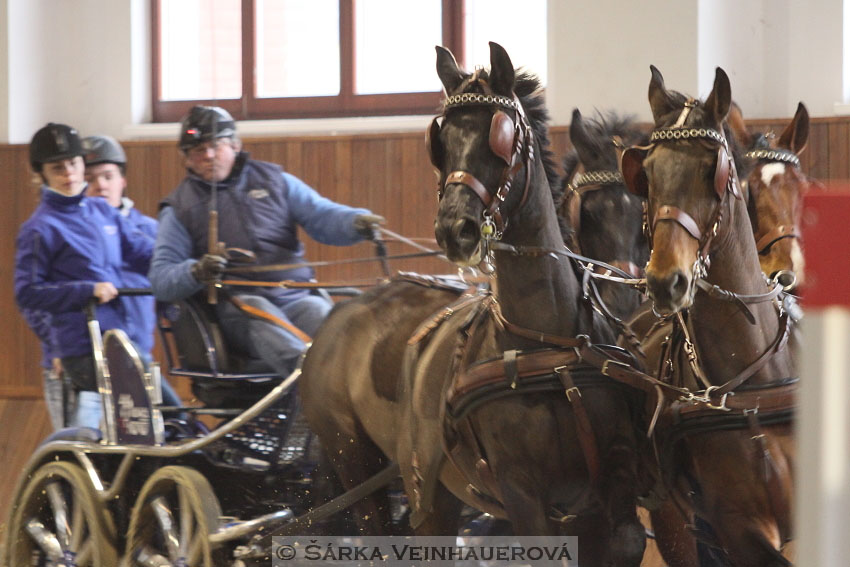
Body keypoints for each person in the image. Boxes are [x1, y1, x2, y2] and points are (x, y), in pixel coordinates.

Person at [148, 105, 385, 381]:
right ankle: (310, 402)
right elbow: (161, 278)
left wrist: (356, 222)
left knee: (337, 332)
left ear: (235, 145)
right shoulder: (178, 208)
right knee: (277, 333)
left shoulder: (276, 181)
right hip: (238, 306)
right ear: (186, 159)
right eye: (198, 150)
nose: (208, 155)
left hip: (296, 296)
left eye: (215, 146)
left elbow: (321, 214)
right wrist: (196, 271)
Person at [14, 123, 154, 429]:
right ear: (42, 174)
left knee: (157, 420)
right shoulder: (39, 228)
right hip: (83, 348)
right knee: (158, 406)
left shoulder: (103, 212)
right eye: (58, 168)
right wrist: (87, 290)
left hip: (122, 340)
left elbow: (145, 253)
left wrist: (184, 268)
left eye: (74, 164)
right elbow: (27, 293)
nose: (69, 175)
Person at [82, 135, 182, 409]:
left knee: (165, 421)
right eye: (90, 179)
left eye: (107, 176)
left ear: (122, 180)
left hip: (137, 350)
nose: (100, 185)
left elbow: (168, 285)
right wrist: (54, 351)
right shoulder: (72, 233)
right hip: (85, 355)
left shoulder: (150, 230)